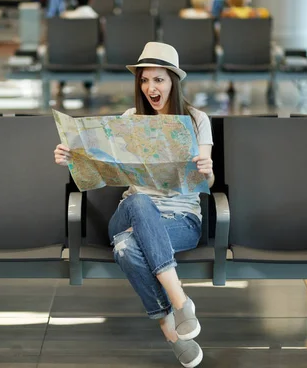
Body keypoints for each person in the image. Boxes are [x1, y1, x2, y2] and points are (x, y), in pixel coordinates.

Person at [54, 42, 214, 368]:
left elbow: (206, 184)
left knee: (126, 247)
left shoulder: (197, 121)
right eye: (145, 80)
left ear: (173, 81)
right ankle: (180, 300)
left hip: (181, 220)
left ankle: (170, 330)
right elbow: (98, 162)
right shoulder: (130, 119)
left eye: (158, 80)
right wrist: (71, 156)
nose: (151, 88)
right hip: (130, 211)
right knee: (140, 200)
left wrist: (207, 173)